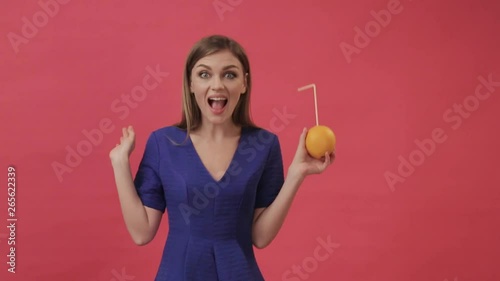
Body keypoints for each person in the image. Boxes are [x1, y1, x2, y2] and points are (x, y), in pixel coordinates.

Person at [109, 34, 335, 281]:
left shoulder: (264, 145)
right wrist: (120, 164)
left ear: (244, 83)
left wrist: (296, 175)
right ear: (190, 83)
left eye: (229, 74)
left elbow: (260, 237)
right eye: (204, 74)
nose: (217, 85)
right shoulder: (163, 143)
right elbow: (141, 233)